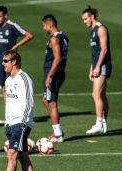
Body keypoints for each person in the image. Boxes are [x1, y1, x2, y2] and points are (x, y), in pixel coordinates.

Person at [0, 6, 33, 124]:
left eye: (0, 16)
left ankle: (19, 115)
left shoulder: (12, 26)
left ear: (5, 15)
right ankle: (8, 116)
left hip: (11, 63)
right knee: (4, 88)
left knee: (12, 89)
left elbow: (29, 35)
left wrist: (16, 46)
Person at [3, 50, 34, 171]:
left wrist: (23, 122)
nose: (2, 63)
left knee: (11, 155)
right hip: (10, 124)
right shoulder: (8, 80)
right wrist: (7, 122)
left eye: (5, 61)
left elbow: (29, 102)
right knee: (23, 156)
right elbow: (9, 104)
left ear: (14, 62)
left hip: (21, 123)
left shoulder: (24, 79)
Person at [82, 6, 112, 134]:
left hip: (103, 65)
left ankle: (99, 123)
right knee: (102, 96)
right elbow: (95, 52)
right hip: (98, 65)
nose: (84, 22)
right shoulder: (93, 30)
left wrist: (98, 66)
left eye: (85, 19)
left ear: (92, 17)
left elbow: (104, 50)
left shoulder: (101, 29)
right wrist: (92, 68)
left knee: (96, 94)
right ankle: (104, 124)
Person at [41, 14, 69, 143]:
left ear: (50, 25)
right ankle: (57, 128)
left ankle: (58, 134)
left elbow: (57, 58)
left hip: (53, 73)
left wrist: (50, 75)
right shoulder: (64, 37)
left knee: (51, 102)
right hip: (58, 72)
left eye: (44, 26)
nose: (43, 28)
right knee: (46, 100)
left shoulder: (54, 39)